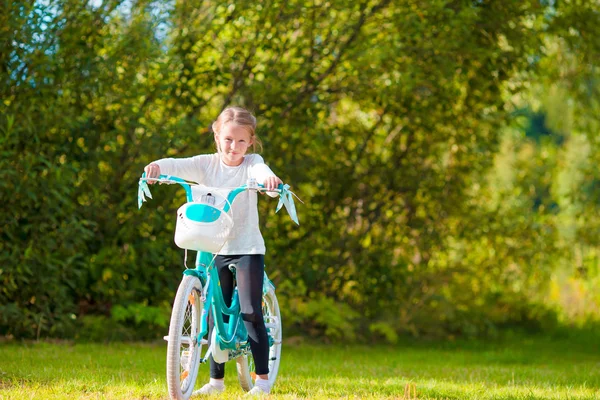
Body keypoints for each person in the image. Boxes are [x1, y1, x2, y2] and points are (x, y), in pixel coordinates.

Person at [144, 106, 282, 396]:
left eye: (241, 141)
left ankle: (262, 381)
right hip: (213, 244)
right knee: (211, 311)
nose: (234, 147)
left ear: (251, 142)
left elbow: (262, 173)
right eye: (228, 140)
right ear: (217, 136)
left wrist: (271, 183)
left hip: (246, 248)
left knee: (249, 311)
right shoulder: (206, 165)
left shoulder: (251, 163)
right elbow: (177, 165)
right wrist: (156, 167)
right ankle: (216, 383)